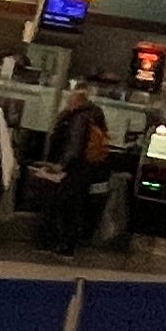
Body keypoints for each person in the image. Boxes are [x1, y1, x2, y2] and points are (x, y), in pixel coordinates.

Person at [38, 85, 113, 255]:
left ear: (77, 101)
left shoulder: (79, 118)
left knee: (65, 204)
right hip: (88, 168)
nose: (67, 102)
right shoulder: (95, 115)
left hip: (76, 168)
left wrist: (61, 165)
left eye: (70, 99)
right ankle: (69, 243)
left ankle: (64, 245)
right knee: (75, 205)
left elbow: (74, 145)